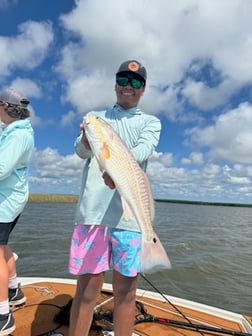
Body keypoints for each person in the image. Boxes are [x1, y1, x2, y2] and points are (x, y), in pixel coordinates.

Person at [69, 60, 161, 336]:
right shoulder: (97, 116)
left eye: (135, 82)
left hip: (129, 219)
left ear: (143, 90)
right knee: (86, 291)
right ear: (115, 84)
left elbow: (142, 151)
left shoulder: (151, 122)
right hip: (92, 215)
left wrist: (116, 174)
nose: (128, 87)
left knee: (126, 293)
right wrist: (87, 139)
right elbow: (80, 152)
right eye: (123, 80)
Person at [0, 88, 34, 335]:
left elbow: (1, 168)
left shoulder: (17, 136)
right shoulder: (15, 132)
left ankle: (3, 316)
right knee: (2, 247)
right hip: (10, 199)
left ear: (5, 106)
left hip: (5, 202)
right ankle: (13, 291)